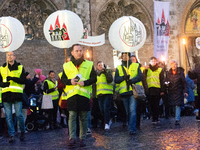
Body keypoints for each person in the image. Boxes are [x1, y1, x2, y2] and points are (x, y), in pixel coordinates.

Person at [61, 44, 97, 147]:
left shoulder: (89, 64)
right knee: (72, 117)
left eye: (80, 51)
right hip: (72, 95)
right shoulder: (66, 65)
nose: (79, 53)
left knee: (84, 118)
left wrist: (85, 83)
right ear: (72, 52)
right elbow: (63, 79)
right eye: (77, 51)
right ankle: (72, 138)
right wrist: (70, 81)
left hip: (84, 95)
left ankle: (82, 138)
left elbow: (94, 78)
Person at [0, 51, 26, 143]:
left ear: (15, 56)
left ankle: (22, 131)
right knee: (8, 116)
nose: (10, 56)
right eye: (8, 55)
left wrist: (12, 78)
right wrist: (3, 84)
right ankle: (11, 134)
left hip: (17, 95)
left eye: (11, 55)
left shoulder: (20, 67)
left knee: (19, 114)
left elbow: (23, 80)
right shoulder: (2, 68)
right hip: (6, 95)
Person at [114, 52, 142, 135]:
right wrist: (123, 78)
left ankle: (132, 129)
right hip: (124, 93)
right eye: (123, 56)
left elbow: (140, 76)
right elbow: (116, 80)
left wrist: (132, 81)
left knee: (132, 110)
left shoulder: (135, 65)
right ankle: (131, 126)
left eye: (125, 56)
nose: (124, 57)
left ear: (129, 57)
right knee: (128, 112)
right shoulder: (119, 67)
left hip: (133, 92)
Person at [143, 56, 164, 125]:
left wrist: (162, 90)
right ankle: (153, 118)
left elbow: (162, 80)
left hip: (157, 89)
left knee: (156, 105)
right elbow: (144, 79)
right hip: (149, 89)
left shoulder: (160, 69)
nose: (153, 62)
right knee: (151, 105)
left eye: (154, 61)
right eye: (152, 61)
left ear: (156, 62)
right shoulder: (146, 70)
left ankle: (156, 118)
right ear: (149, 62)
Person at [167, 61, 188, 125]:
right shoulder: (168, 73)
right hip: (171, 91)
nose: (174, 66)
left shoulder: (181, 73)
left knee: (177, 105)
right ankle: (175, 116)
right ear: (171, 65)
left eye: (175, 64)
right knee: (173, 105)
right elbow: (165, 80)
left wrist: (186, 91)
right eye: (173, 65)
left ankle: (177, 119)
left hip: (178, 91)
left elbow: (184, 82)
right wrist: (166, 84)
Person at [96, 61, 113, 130]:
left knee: (106, 108)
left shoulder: (108, 72)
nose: (100, 66)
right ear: (97, 67)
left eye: (102, 65)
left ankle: (107, 123)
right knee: (102, 109)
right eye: (99, 65)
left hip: (107, 93)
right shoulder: (96, 74)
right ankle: (107, 120)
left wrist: (105, 72)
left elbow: (110, 80)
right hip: (99, 94)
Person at [130, 54, 145, 130]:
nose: (132, 60)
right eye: (131, 59)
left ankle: (137, 123)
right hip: (130, 90)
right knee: (132, 109)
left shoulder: (139, 67)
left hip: (138, 90)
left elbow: (142, 77)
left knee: (138, 108)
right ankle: (133, 123)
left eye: (134, 59)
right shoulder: (128, 67)